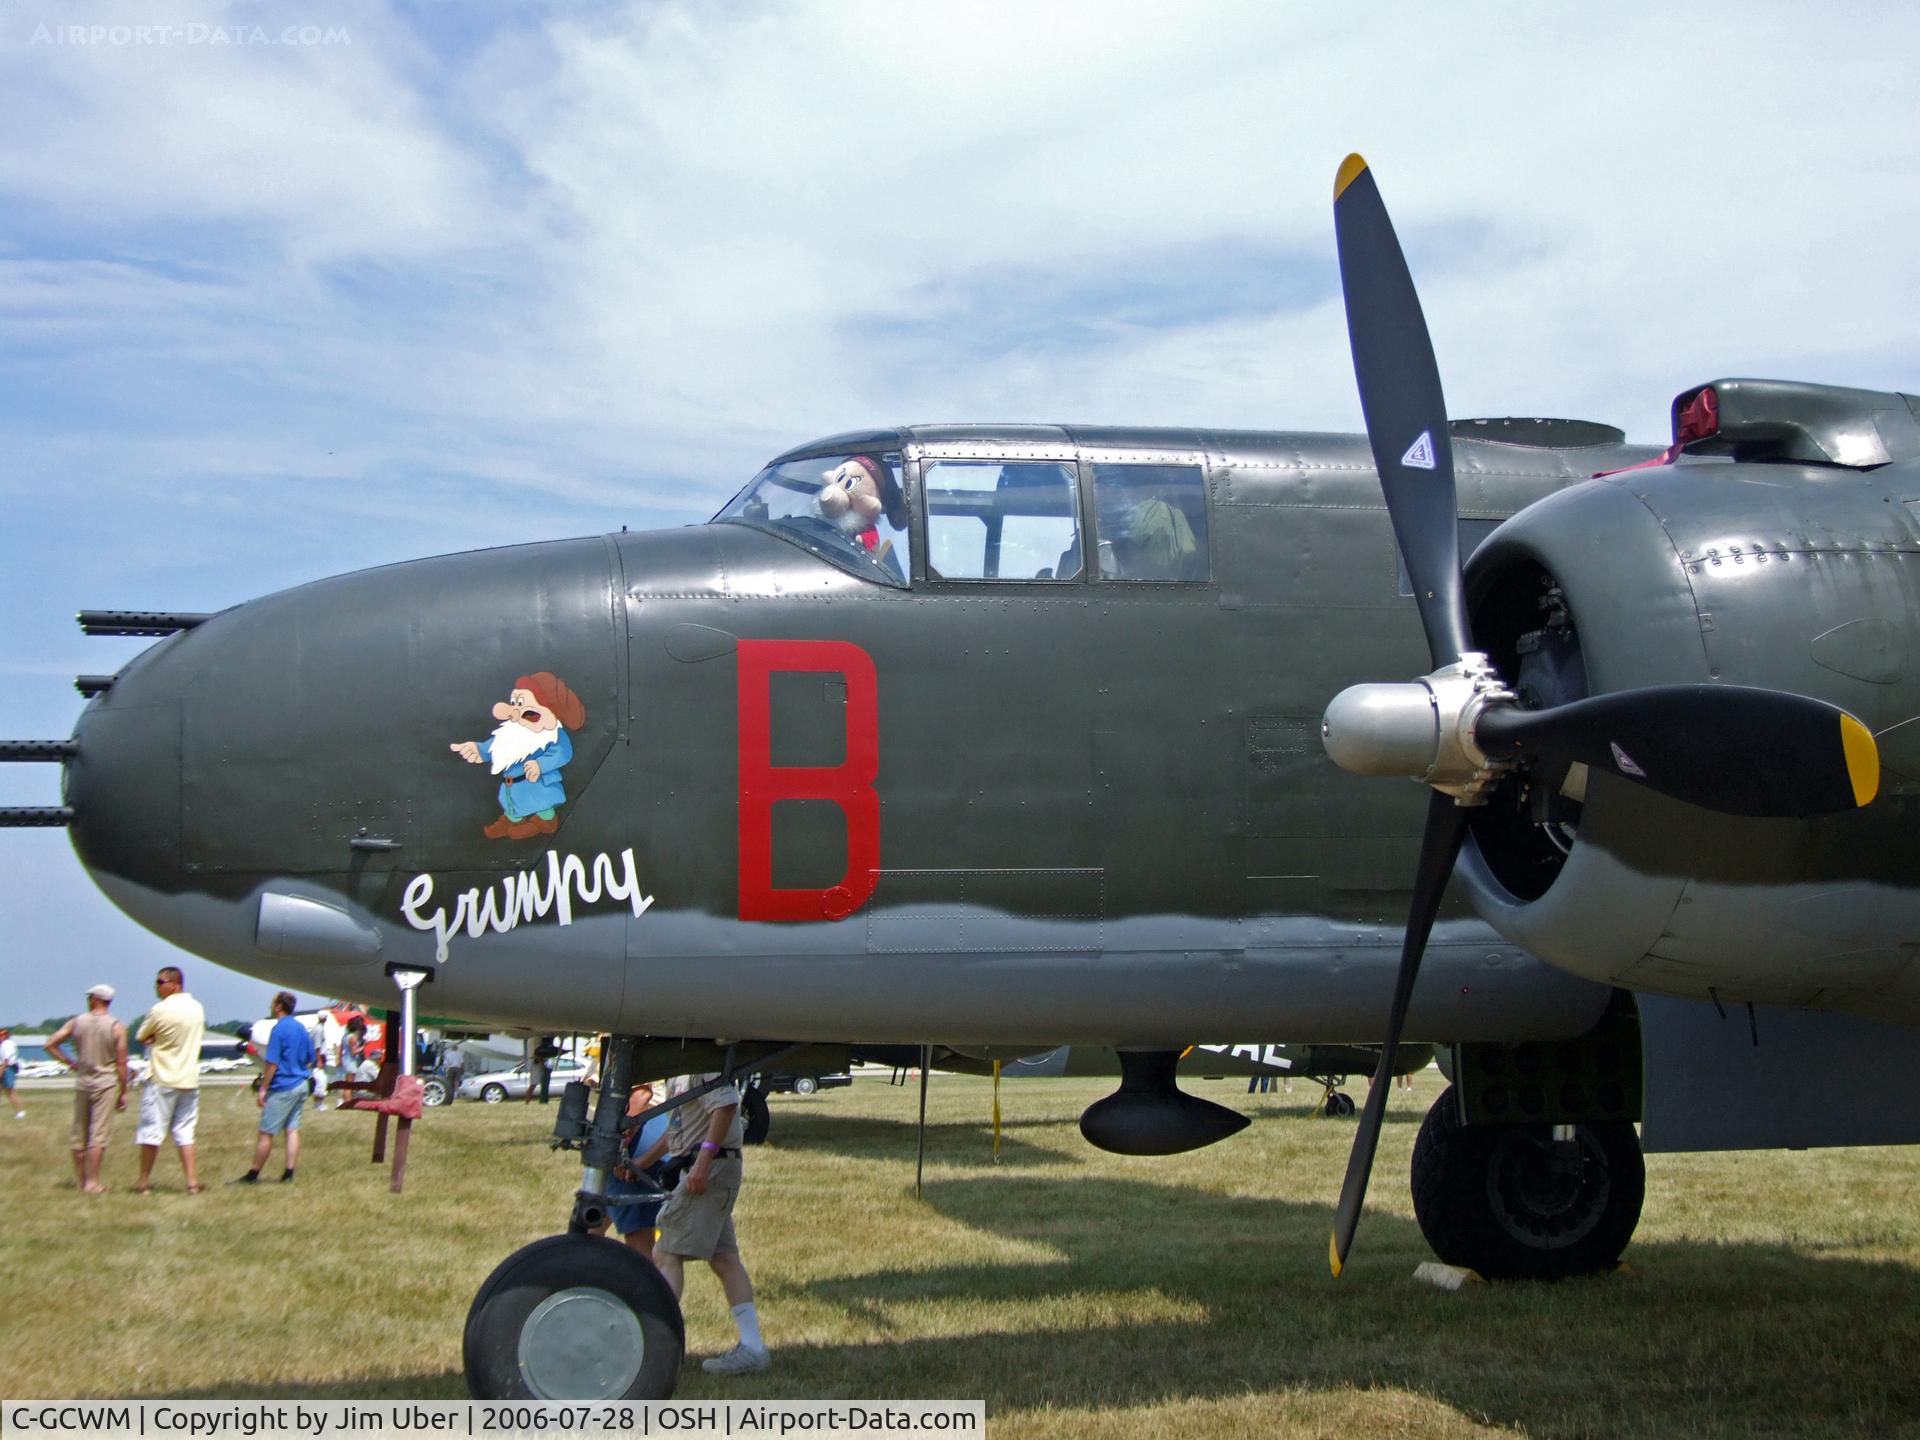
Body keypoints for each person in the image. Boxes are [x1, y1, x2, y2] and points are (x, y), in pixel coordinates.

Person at [634, 1073, 769, 1375]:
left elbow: (726, 1107)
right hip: (705, 1165)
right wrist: (642, 1162)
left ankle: (658, 1349)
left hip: (711, 1168)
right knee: (724, 1260)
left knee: (666, 1253)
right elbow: (677, 1130)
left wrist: (703, 1162)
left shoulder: (704, 1065)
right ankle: (754, 1347)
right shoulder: (679, 1072)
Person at [45, 984, 130, 1192]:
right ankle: (93, 1181)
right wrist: (124, 1090)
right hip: (105, 1081)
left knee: (79, 1134)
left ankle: (81, 1180)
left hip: (83, 1080)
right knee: (98, 1135)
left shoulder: (77, 1022)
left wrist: (70, 1062)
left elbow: (50, 1044)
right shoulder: (116, 1026)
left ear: (95, 999)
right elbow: (121, 1062)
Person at [135, 965, 205, 1194]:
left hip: (163, 1077)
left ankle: (144, 1182)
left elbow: (141, 1035)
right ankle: (192, 1181)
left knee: (152, 1132)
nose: (157, 987)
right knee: (185, 1132)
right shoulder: (197, 1008)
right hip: (188, 1078)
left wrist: (156, 1037)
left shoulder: (159, 1010)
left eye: (160, 982)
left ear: (174, 984)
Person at [238, 991, 315, 1184]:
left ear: (279, 1006)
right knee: (292, 1130)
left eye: (273, 1003)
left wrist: (263, 1088)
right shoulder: (301, 1028)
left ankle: (253, 1174)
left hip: (284, 1086)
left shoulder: (278, 1029)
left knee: (266, 1133)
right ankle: (289, 1173)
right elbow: (310, 1058)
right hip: (301, 1083)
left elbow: (272, 1063)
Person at [593, 1081, 670, 1259]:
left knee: (637, 1235)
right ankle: (582, 1278)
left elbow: (641, 1095)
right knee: (590, 1222)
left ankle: (648, 1284)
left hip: (639, 1137)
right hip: (617, 1140)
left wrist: (621, 1147)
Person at [0, 1027, 22, 1118]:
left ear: (5, 1035)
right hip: (5, 1067)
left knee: (10, 1091)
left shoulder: (7, 1044)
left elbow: (6, 1060)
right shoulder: (3, 1044)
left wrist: (2, 1070)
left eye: (1, 1035)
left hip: (7, 1069)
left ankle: (20, 1112)